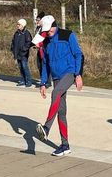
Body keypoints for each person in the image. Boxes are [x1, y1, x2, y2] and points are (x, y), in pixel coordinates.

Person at [34, 15, 84, 157]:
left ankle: (46, 128)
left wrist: (78, 74)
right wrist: (43, 82)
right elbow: (45, 64)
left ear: (54, 26)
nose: (48, 34)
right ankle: (65, 145)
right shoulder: (45, 41)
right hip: (56, 76)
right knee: (61, 111)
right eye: (45, 32)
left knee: (55, 93)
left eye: (49, 31)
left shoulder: (67, 35)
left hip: (69, 73)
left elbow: (78, 55)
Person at [10, 18, 34, 87]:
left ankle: (29, 81)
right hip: (17, 53)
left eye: (19, 24)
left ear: (23, 25)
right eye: (17, 24)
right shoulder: (16, 33)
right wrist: (12, 49)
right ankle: (23, 80)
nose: (17, 25)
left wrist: (24, 49)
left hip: (23, 54)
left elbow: (29, 43)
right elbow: (13, 41)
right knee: (20, 67)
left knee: (25, 67)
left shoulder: (26, 33)